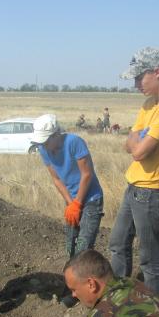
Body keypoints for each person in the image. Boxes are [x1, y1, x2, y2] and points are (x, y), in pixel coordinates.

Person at [109, 47, 159, 302]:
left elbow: (138, 151)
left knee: (150, 258)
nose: (135, 84)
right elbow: (129, 142)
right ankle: (118, 300)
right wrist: (136, 141)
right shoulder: (149, 104)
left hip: (152, 191)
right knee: (118, 243)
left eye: (138, 77)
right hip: (134, 185)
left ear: (156, 72)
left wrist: (136, 142)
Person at [31, 114, 104, 307]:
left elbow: (87, 174)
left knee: (83, 247)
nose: (44, 146)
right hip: (72, 201)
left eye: (47, 141)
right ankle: (74, 286)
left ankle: (84, 293)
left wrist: (78, 203)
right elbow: (56, 179)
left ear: (56, 134)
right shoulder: (43, 149)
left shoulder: (74, 143)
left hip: (90, 199)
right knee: (70, 246)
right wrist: (70, 203)